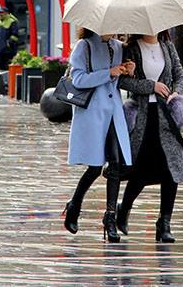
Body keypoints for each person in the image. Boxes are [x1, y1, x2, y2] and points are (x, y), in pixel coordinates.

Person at [62, 28, 134, 243]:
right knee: (94, 167)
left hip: (113, 111)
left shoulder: (118, 47)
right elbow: (78, 80)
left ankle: (110, 218)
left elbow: (118, 79)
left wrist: (127, 70)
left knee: (115, 164)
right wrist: (109, 73)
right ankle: (74, 205)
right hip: (93, 112)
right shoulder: (84, 46)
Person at [117, 31, 183, 243]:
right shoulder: (131, 48)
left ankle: (164, 223)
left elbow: (179, 75)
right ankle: (124, 209)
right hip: (143, 117)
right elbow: (123, 81)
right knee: (141, 169)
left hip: (167, 117)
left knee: (171, 169)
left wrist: (176, 92)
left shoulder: (168, 46)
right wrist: (151, 86)